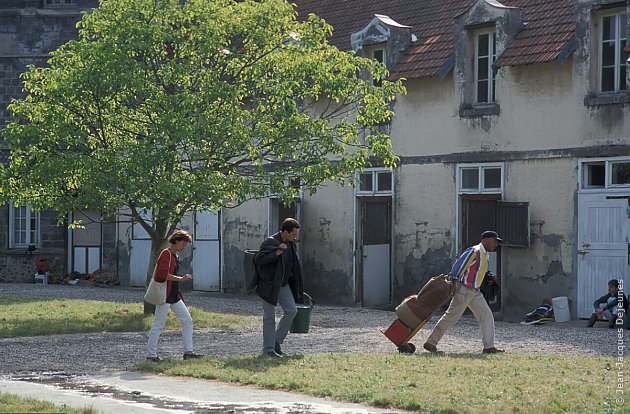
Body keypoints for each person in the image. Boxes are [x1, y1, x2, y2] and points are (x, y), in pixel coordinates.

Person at [423, 230, 505, 354]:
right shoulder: (475, 251)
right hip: (465, 289)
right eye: (494, 241)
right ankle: (431, 343)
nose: (495, 244)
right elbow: (459, 266)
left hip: (474, 292)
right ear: (485, 239)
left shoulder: (484, 254)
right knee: (450, 317)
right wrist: (453, 282)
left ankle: (489, 347)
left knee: (486, 316)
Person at [146, 230, 203, 362]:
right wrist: (181, 278)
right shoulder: (166, 254)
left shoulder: (173, 255)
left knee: (187, 320)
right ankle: (151, 355)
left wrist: (179, 280)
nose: (184, 247)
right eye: (183, 244)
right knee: (158, 324)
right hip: (164, 294)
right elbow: (162, 274)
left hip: (173, 294)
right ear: (176, 241)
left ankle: (188, 352)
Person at [253, 218, 304, 357]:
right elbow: (258, 260)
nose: (295, 237)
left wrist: (297, 285)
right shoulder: (270, 242)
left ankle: (276, 341)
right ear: (285, 232)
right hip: (268, 285)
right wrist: (276, 253)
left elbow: (294, 265)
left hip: (283, 284)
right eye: (293, 234)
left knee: (291, 310)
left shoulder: (291, 244)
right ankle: (268, 350)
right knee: (269, 316)